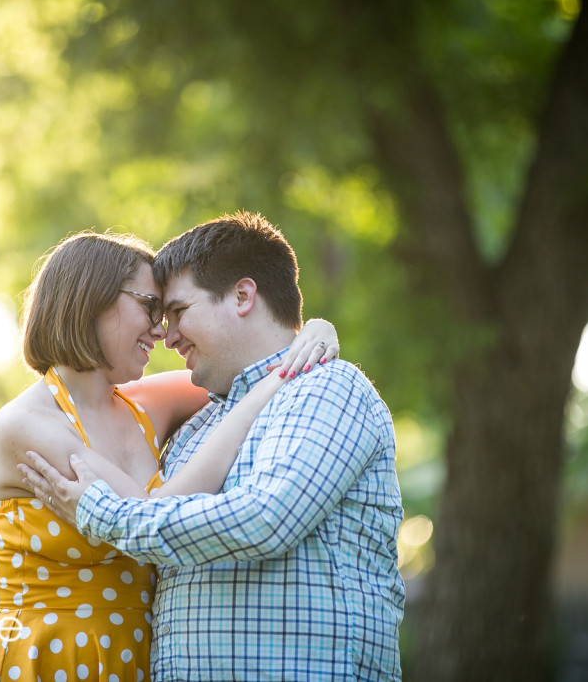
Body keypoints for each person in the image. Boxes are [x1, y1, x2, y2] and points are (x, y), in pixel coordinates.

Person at [22, 212, 406, 681]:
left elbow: (265, 520)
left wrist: (102, 513)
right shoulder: (194, 427)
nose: (168, 336)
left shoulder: (328, 389)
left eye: (179, 313)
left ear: (243, 296)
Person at [0, 230, 338, 682]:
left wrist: (313, 330)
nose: (162, 330)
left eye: (170, 312)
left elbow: (258, 362)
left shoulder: (147, 404)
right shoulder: (25, 425)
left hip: (136, 656)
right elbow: (153, 513)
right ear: (91, 299)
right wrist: (262, 397)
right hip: (50, 658)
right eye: (150, 307)